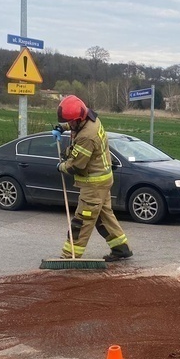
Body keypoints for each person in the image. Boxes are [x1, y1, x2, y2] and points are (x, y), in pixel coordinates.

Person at [53, 95, 133, 262]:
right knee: (104, 216)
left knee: (82, 220)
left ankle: (69, 256)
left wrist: (61, 166)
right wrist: (62, 127)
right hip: (103, 179)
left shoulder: (87, 136)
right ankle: (121, 247)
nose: (71, 125)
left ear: (79, 118)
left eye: (72, 122)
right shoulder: (90, 118)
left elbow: (76, 165)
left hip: (94, 184)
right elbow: (75, 124)